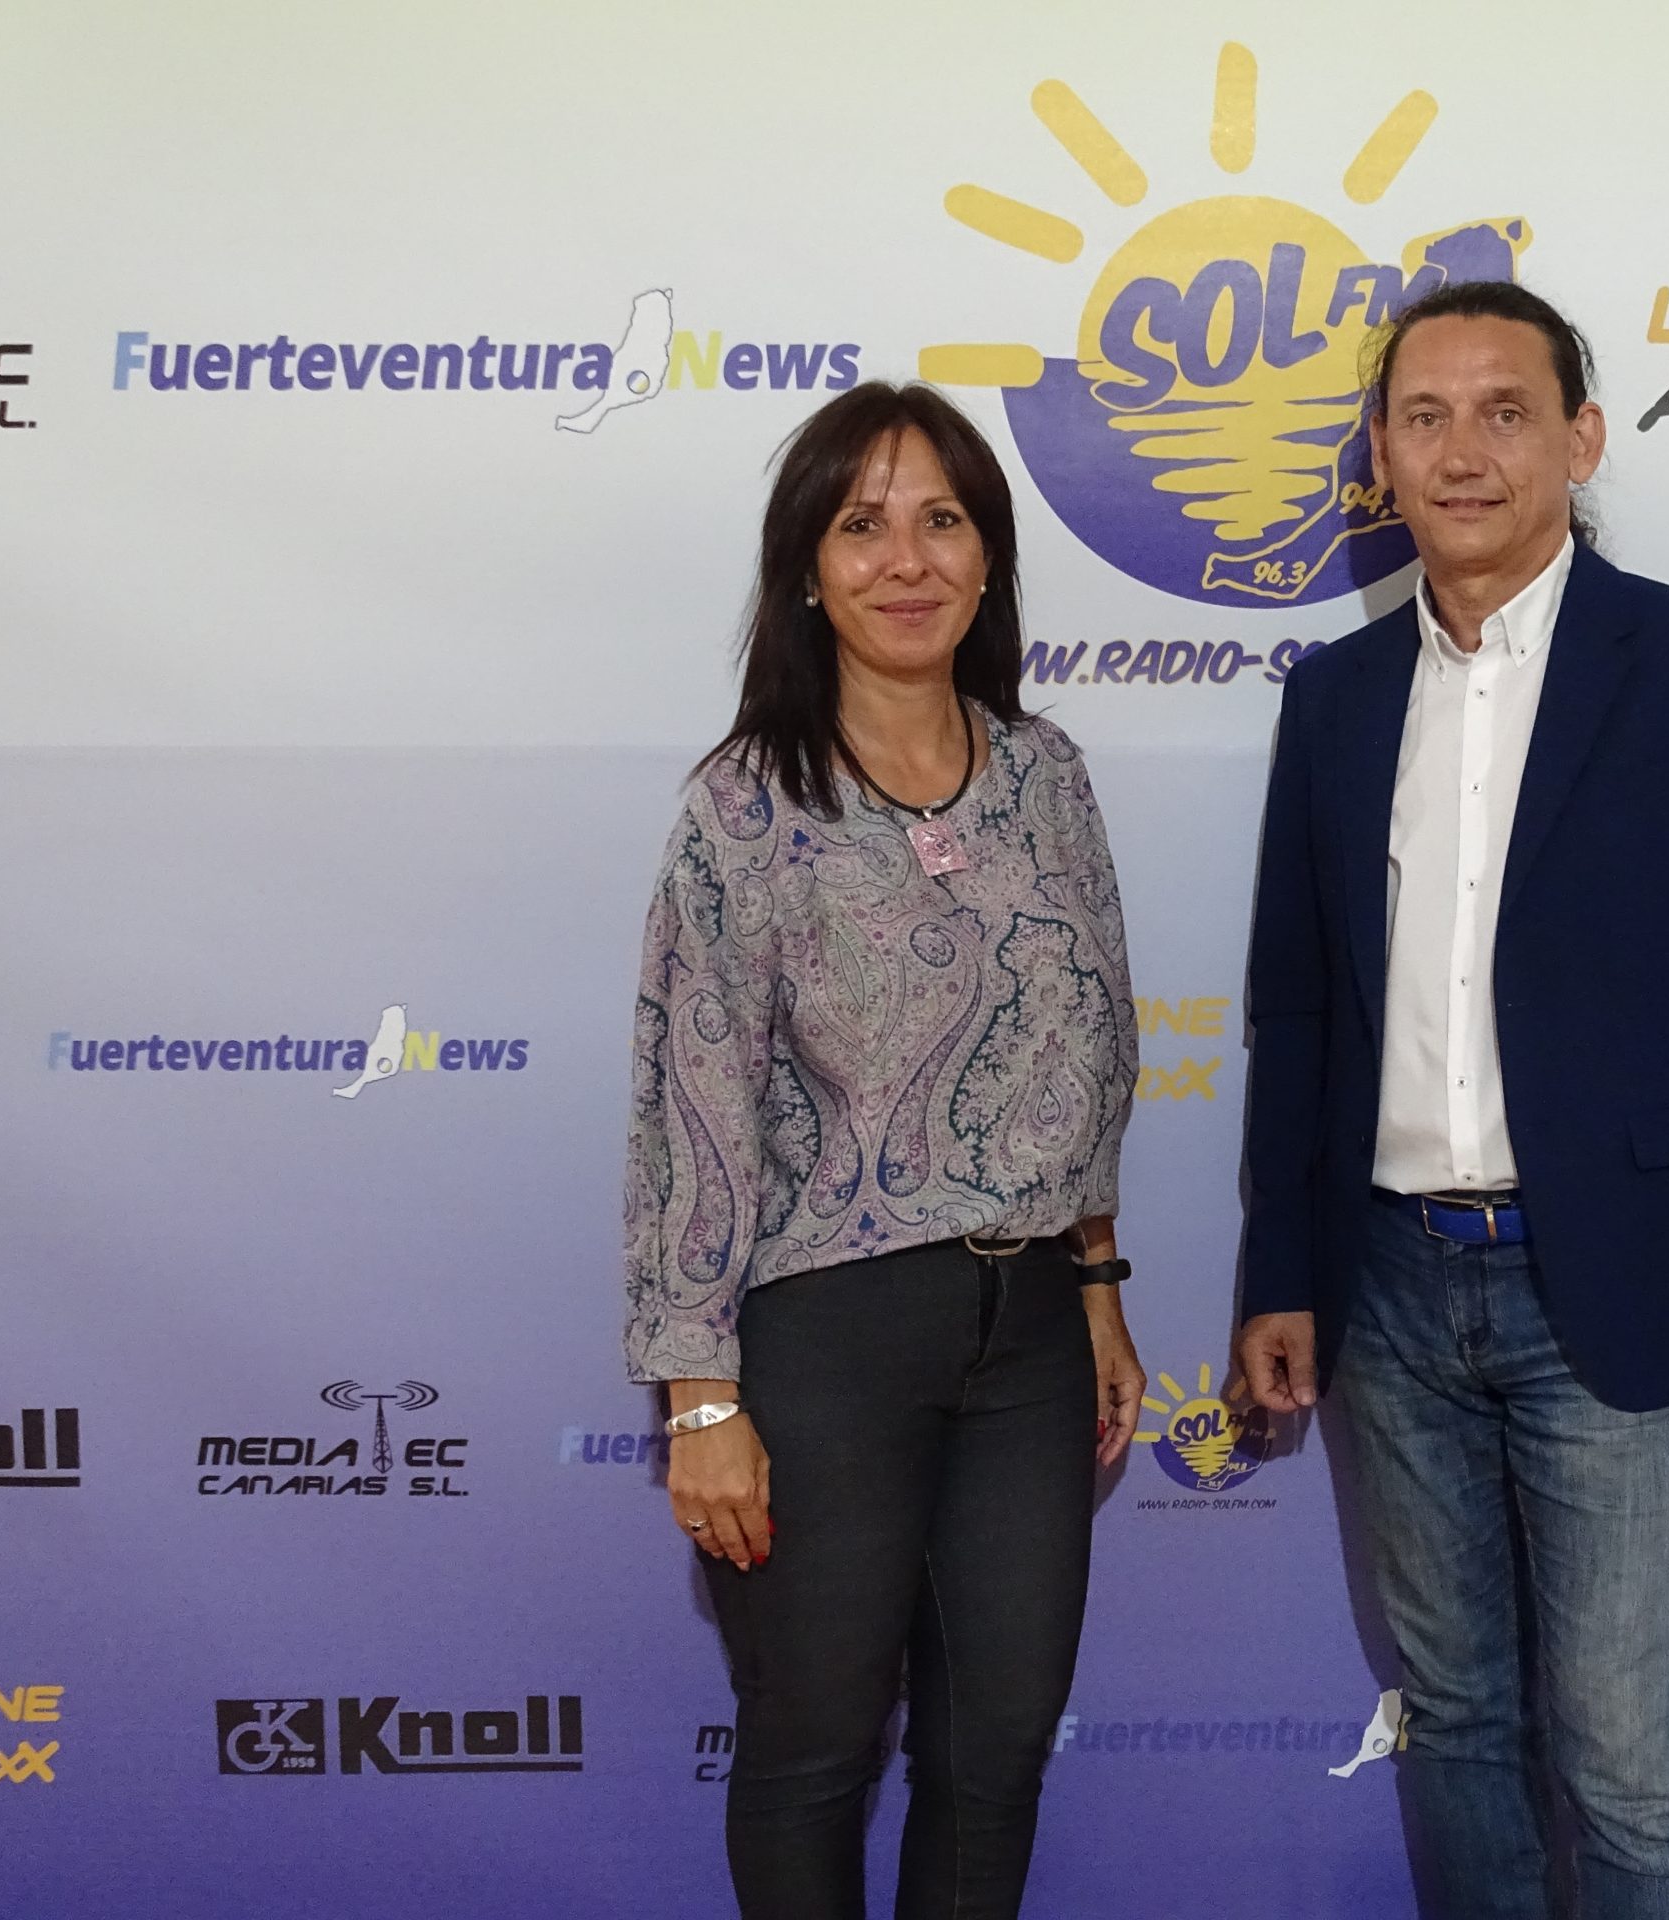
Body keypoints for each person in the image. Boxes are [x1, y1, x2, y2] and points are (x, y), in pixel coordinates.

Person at [1233, 282, 1669, 1920]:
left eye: (1505, 411)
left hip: (1625, 1289)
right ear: (1380, 457)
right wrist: (1281, 1269)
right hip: (1388, 1292)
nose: (1464, 453)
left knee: (1634, 1771)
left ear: (1580, 440)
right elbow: (1300, 1011)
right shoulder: (1334, 699)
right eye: (1424, 417)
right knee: (1454, 1728)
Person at [623, 380, 1146, 1920]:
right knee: (815, 1748)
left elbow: (1093, 1045)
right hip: (827, 1341)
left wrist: (1099, 1285)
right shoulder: (744, 808)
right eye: (863, 526)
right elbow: (692, 1110)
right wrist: (700, 1396)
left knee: (997, 1750)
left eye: (943, 521)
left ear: (989, 560)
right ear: (807, 566)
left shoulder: (1047, 773)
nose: (906, 559)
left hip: (1033, 1338)